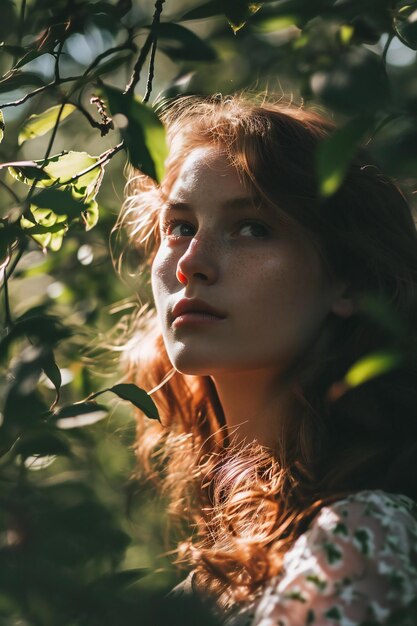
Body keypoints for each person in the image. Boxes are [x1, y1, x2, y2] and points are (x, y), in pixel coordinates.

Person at [116, 94, 417, 625]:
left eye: (252, 227)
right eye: (180, 226)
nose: (192, 264)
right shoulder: (215, 574)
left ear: (347, 280)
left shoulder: (358, 534)